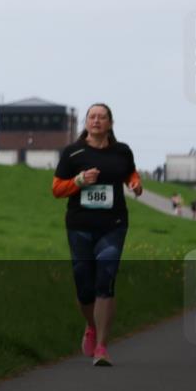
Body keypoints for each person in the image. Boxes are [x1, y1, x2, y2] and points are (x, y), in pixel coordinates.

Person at [52, 103, 142, 367]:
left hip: (113, 224)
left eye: (102, 117)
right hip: (80, 225)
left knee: (106, 277)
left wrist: (135, 183)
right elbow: (57, 189)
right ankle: (91, 326)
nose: (97, 121)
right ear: (86, 122)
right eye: (92, 116)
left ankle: (102, 346)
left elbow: (130, 174)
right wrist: (79, 182)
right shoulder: (73, 153)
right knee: (84, 285)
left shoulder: (122, 151)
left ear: (110, 123)